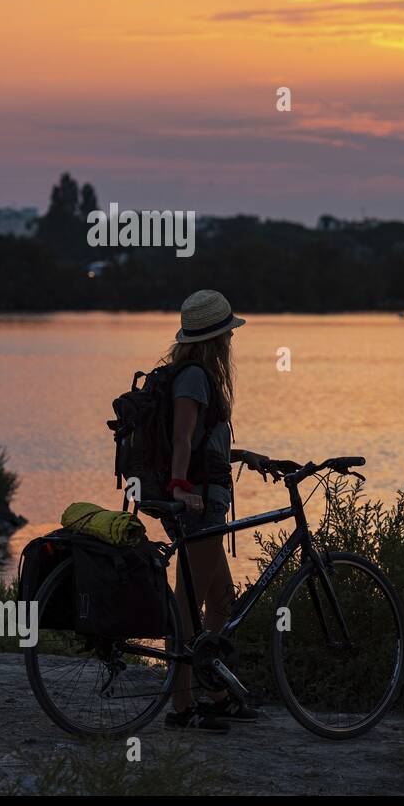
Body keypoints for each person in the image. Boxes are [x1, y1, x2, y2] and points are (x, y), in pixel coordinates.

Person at [162, 289, 268, 733]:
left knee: (220, 599)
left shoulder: (199, 375)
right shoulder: (193, 379)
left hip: (205, 499)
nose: (230, 343)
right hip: (198, 505)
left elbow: (204, 440)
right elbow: (182, 438)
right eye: (227, 335)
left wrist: (244, 455)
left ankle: (216, 695)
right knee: (190, 605)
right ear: (215, 339)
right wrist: (180, 486)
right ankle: (182, 706)